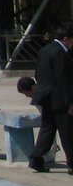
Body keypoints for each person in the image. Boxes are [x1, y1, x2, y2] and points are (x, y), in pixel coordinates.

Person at [29, 23, 73, 174]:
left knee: (47, 130)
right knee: (67, 132)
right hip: (59, 99)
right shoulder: (62, 53)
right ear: (66, 39)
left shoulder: (44, 50)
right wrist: (70, 102)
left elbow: (37, 73)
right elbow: (63, 79)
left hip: (46, 97)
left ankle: (35, 158)